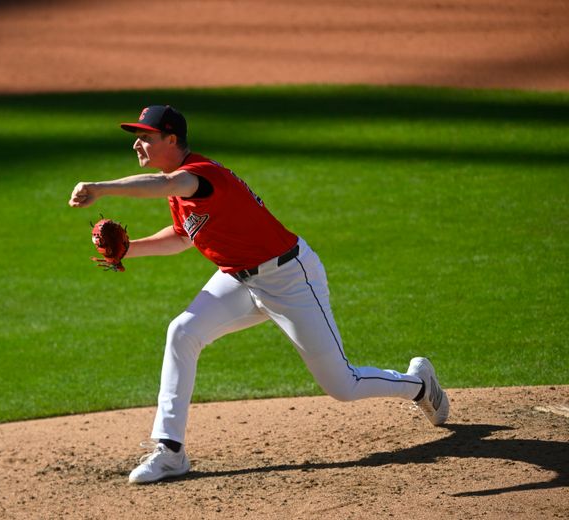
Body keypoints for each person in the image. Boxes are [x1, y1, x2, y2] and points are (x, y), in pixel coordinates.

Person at [68, 105, 449, 485]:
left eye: (145, 137)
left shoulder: (200, 175)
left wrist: (101, 188)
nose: (137, 144)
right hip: (237, 279)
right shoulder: (179, 186)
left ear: (171, 139)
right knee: (182, 332)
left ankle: (418, 384)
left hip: (289, 279)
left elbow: (166, 185)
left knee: (342, 386)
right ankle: (171, 452)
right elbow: (183, 236)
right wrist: (129, 248)